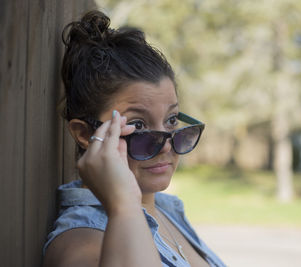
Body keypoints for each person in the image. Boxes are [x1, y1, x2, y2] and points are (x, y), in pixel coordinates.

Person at [42, 10, 226, 267]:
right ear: (85, 134)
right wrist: (123, 204)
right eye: (137, 124)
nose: (167, 145)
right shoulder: (82, 245)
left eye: (172, 119)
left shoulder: (166, 209)